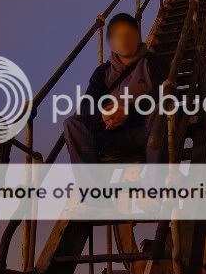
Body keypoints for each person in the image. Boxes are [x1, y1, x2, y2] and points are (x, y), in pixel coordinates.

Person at [63, 12, 168, 165]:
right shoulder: (102, 73)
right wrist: (103, 115)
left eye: (128, 34)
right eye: (118, 36)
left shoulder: (155, 63)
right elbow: (86, 105)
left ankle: (155, 185)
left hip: (143, 130)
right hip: (110, 134)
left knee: (159, 112)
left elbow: (161, 95)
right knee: (72, 123)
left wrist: (127, 111)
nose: (124, 40)